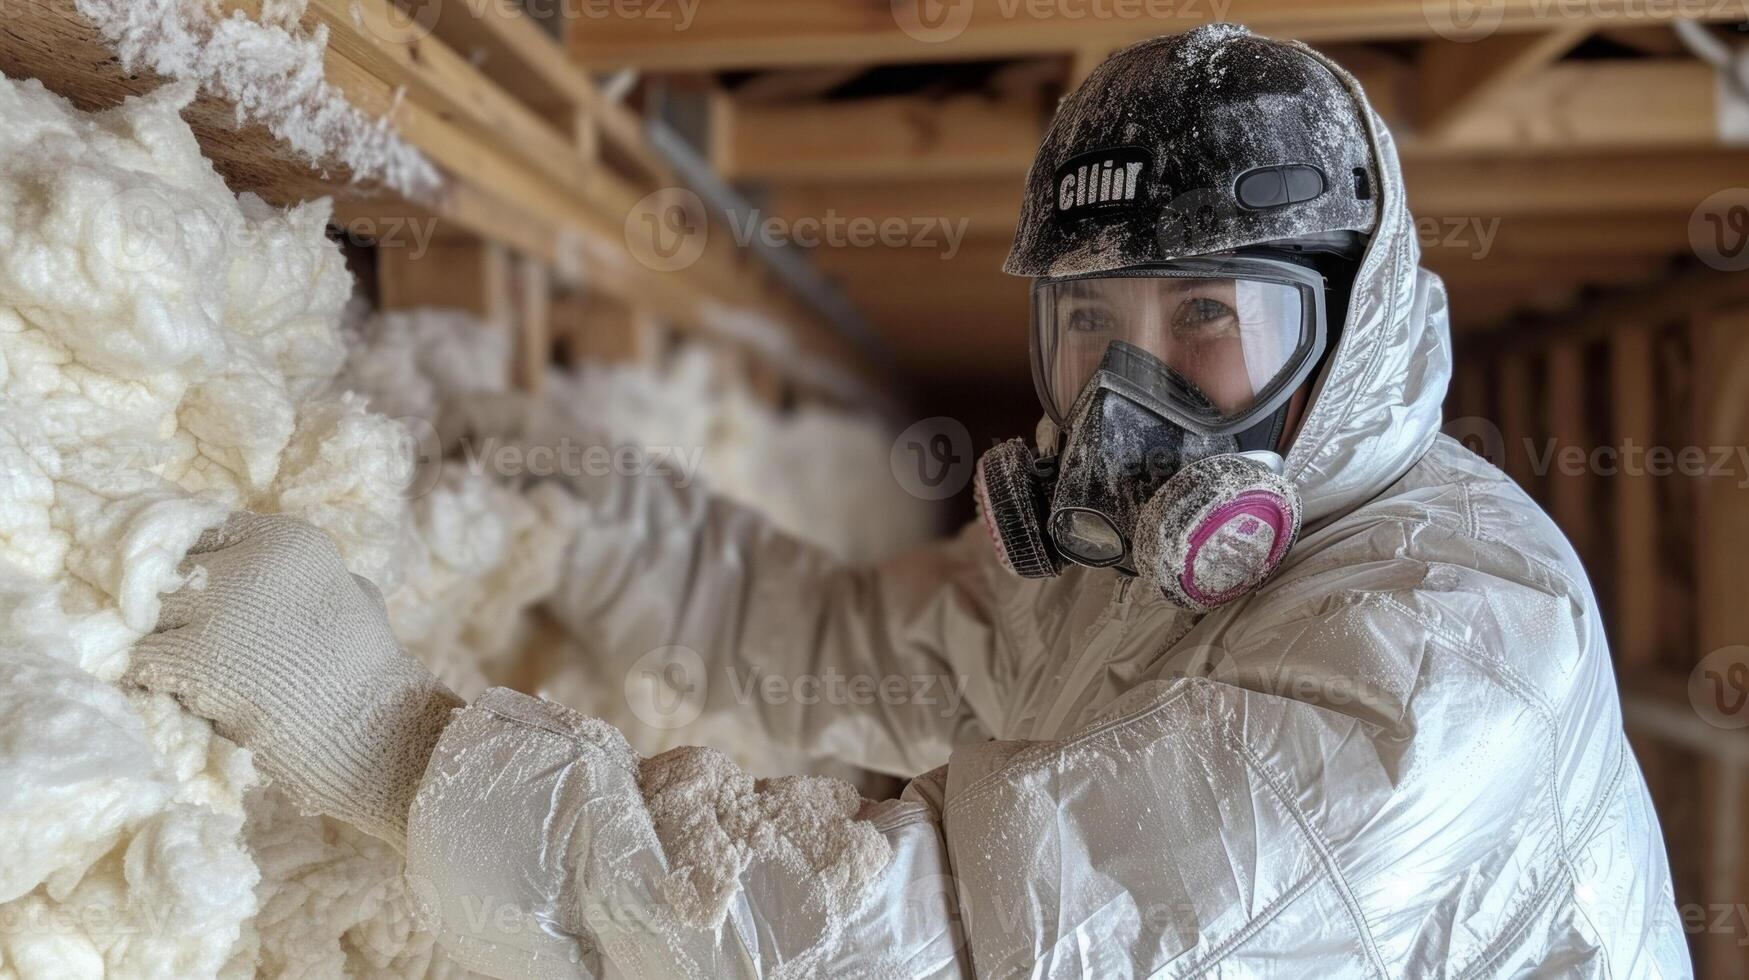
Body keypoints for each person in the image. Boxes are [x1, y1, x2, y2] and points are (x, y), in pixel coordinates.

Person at [126, 24, 1690, 978]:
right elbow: (826, 641)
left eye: (1209, 318)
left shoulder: (1435, 665)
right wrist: (595, 496)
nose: (1131, 399)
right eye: (1091, 331)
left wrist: (395, 751)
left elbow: (916, 943)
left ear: (1345, 327)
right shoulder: (1137, 579)